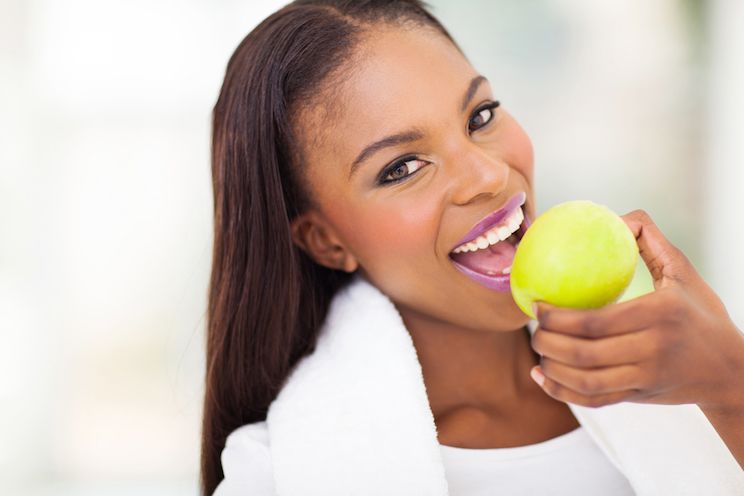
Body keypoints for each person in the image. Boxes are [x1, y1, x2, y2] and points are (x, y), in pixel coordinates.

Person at [201, 1, 744, 494]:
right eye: (401, 168)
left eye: (479, 117)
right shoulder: (278, 476)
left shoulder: (699, 371)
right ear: (326, 240)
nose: (487, 174)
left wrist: (731, 384)